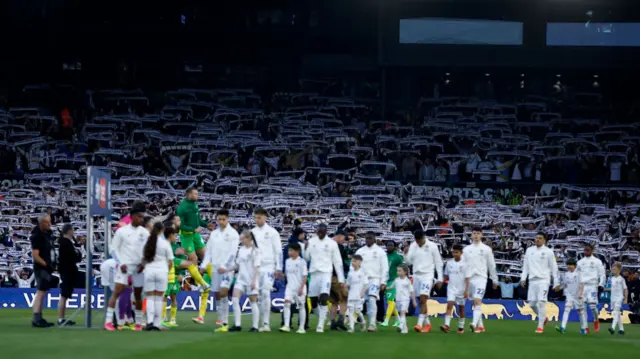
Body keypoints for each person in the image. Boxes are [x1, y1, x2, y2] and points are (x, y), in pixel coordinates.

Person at [104, 202, 150, 331]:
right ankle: (108, 322)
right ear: (132, 216)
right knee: (117, 292)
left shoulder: (144, 232)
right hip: (125, 266)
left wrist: (144, 263)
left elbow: (149, 250)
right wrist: (121, 263)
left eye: (143, 217)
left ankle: (138, 323)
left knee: (138, 294)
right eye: (139, 217)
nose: (141, 219)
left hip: (139, 267)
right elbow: (113, 249)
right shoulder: (122, 231)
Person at [198, 209, 240, 331]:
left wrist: (225, 266)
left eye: (223, 219)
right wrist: (204, 265)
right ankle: (221, 319)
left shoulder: (233, 234)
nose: (221, 222)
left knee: (223, 292)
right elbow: (209, 251)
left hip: (227, 269)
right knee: (217, 294)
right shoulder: (214, 234)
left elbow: (233, 252)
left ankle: (225, 323)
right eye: (219, 219)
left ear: (228, 219)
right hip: (215, 269)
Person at [306, 223, 345, 333]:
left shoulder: (332, 243)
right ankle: (322, 317)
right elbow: (307, 257)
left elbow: (338, 262)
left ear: (326, 231)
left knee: (324, 297)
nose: (320, 233)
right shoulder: (312, 242)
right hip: (314, 274)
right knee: (313, 301)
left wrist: (341, 279)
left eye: (322, 232)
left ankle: (320, 325)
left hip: (326, 273)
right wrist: (305, 249)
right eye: (319, 232)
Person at [519, 232, 559, 334]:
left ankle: (540, 326)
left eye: (540, 238)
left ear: (544, 240)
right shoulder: (529, 250)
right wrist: (523, 278)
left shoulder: (549, 252)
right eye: (536, 238)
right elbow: (525, 266)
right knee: (532, 304)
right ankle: (543, 318)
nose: (537, 240)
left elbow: (554, 268)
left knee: (541, 302)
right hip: (532, 280)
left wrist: (556, 282)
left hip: (544, 280)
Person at [405, 229, 443, 333]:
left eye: (420, 240)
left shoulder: (432, 246)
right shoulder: (413, 246)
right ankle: (428, 324)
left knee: (423, 299)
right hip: (416, 275)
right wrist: (406, 254)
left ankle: (419, 324)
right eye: (416, 240)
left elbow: (438, 262)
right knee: (420, 300)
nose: (418, 242)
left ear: (424, 237)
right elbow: (408, 262)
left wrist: (440, 278)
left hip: (428, 275)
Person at [251, 208, 283, 332]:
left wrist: (278, 268)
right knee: (257, 295)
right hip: (256, 267)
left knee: (265, 293)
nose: (257, 220)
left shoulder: (272, 232)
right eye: (255, 217)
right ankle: (258, 323)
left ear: (265, 217)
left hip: (269, 266)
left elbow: (278, 251)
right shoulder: (252, 232)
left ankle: (266, 323)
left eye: (259, 217)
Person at [176, 187, 213, 291]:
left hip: (195, 235)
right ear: (188, 194)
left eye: (197, 194)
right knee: (193, 260)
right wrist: (193, 230)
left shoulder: (195, 205)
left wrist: (206, 225)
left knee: (206, 257)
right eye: (195, 194)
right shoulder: (181, 208)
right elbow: (180, 225)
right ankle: (201, 284)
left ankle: (215, 281)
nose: (197, 196)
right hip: (186, 236)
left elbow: (198, 220)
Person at [463, 227, 498, 333]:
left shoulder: (486, 249)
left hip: (481, 278)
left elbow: (491, 265)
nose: (476, 235)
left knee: (478, 300)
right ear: (472, 235)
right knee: (474, 302)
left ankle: (473, 323)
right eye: (474, 233)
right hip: (470, 279)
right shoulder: (466, 250)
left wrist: (494, 279)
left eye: (478, 233)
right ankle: (481, 326)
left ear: (481, 235)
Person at [142, 222, 173, 331]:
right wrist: (166, 271)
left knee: (150, 297)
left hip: (149, 271)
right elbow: (170, 261)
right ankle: (157, 323)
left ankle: (149, 322)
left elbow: (143, 259)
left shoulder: (148, 242)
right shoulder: (165, 243)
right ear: (162, 231)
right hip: (161, 271)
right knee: (159, 298)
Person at [355, 232, 389, 332]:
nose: (368, 240)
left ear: (374, 239)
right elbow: (354, 265)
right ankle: (361, 321)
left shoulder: (380, 251)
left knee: (372, 299)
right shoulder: (360, 251)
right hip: (362, 280)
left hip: (375, 279)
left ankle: (372, 324)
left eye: (370, 238)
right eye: (367, 238)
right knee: (359, 302)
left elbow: (385, 267)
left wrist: (384, 281)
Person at [229, 230, 261, 332]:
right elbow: (237, 265)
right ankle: (237, 324)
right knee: (234, 299)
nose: (241, 241)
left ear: (248, 238)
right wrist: (226, 269)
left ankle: (255, 326)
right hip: (240, 279)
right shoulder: (241, 250)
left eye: (242, 239)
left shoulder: (255, 251)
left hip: (251, 280)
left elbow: (257, 267)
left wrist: (254, 281)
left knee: (253, 302)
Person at [162, 224, 192, 328]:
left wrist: (181, 274)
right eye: (174, 235)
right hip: (164, 276)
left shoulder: (176, 247)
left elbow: (183, 262)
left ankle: (173, 319)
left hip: (174, 276)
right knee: (164, 296)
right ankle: (163, 317)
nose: (176, 238)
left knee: (173, 297)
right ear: (170, 235)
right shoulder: (163, 245)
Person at [30, 214, 56, 328]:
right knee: (40, 292)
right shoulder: (37, 236)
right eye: (47, 222)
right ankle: (36, 318)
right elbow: (35, 255)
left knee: (43, 292)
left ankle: (39, 317)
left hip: (46, 267)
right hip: (41, 268)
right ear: (41, 223)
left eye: (49, 222)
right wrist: (46, 264)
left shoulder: (47, 235)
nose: (49, 224)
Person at [576, 242, 606, 334]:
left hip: (593, 285)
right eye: (585, 250)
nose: (586, 251)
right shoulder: (580, 262)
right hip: (582, 286)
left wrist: (601, 284)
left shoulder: (597, 261)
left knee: (593, 307)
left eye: (588, 250)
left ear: (592, 251)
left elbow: (602, 274)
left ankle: (596, 320)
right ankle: (585, 327)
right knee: (582, 307)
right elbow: (577, 275)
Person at [441, 244, 470, 334]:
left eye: (456, 252)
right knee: (449, 305)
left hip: (461, 289)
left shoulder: (465, 264)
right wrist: (440, 282)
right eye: (453, 252)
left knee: (461, 309)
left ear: (461, 253)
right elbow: (446, 276)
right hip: (451, 288)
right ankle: (447, 326)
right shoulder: (449, 263)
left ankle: (461, 327)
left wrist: (466, 290)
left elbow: (467, 278)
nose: (455, 254)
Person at [57, 224, 82, 326]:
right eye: (72, 230)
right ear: (68, 231)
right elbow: (73, 258)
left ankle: (62, 318)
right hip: (67, 271)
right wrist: (78, 254)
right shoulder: (66, 243)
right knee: (64, 295)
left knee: (65, 295)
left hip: (68, 271)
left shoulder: (66, 243)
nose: (74, 232)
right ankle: (61, 319)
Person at [280, 242, 308, 334]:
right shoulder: (287, 261)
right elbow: (287, 275)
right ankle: (286, 325)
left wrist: (301, 287)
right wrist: (280, 275)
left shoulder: (302, 262)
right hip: (290, 287)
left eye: (291, 250)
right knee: (287, 304)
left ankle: (301, 327)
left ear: (297, 251)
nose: (289, 252)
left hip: (300, 287)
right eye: (289, 250)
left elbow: (305, 276)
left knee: (301, 306)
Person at [387, 264, 416, 334]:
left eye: (400, 271)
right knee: (401, 314)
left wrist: (414, 301)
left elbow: (412, 291)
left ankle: (400, 325)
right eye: (397, 271)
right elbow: (391, 287)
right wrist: (385, 288)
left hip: (405, 299)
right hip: (398, 299)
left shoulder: (407, 281)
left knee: (403, 313)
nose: (398, 272)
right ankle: (405, 329)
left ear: (405, 272)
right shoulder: (396, 280)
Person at [555, 258, 582, 333]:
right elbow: (565, 284)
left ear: (575, 266)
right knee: (567, 309)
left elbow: (582, 284)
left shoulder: (579, 274)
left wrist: (581, 294)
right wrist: (559, 288)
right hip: (569, 295)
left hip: (578, 295)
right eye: (568, 265)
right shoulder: (566, 274)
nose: (569, 266)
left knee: (580, 312)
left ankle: (583, 328)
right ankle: (562, 327)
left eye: (571, 265)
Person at [381, 241, 403, 327]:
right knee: (390, 301)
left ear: (394, 247)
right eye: (388, 245)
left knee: (390, 301)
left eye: (391, 245)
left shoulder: (398, 257)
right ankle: (398, 320)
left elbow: (402, 268)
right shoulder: (384, 256)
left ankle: (386, 320)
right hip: (385, 280)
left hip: (393, 280)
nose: (389, 247)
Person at [346, 254, 366, 333]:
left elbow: (366, 284)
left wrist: (363, 292)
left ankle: (363, 322)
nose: (353, 263)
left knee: (357, 311)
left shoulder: (362, 272)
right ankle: (351, 327)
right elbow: (348, 283)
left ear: (360, 262)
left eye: (355, 261)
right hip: (351, 294)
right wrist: (346, 287)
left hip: (359, 294)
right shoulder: (350, 273)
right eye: (352, 261)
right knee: (350, 310)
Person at [606, 262, 628, 335]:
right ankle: (621, 329)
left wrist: (625, 299)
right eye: (612, 269)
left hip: (619, 297)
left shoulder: (621, 279)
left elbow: (625, 289)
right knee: (617, 313)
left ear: (619, 270)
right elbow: (611, 288)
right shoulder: (611, 278)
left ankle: (612, 328)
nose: (613, 270)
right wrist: (604, 288)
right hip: (613, 298)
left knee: (616, 312)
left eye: (614, 269)